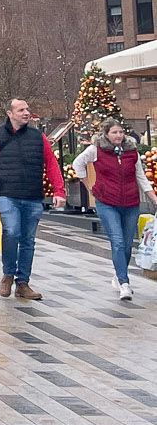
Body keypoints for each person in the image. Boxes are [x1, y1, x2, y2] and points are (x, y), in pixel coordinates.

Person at [0, 99, 66, 301]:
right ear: (10, 113)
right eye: (21, 110)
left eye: (27, 109)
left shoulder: (38, 137)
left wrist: (59, 190)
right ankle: (8, 274)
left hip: (33, 195)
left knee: (28, 241)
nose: (27, 113)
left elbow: (51, 162)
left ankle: (23, 283)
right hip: (7, 193)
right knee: (12, 232)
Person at [71, 118, 156, 302]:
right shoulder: (96, 150)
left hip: (131, 202)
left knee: (126, 244)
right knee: (117, 241)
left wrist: (153, 197)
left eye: (120, 132)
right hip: (107, 201)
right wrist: (89, 185)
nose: (118, 135)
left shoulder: (131, 151)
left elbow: (140, 176)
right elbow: (78, 164)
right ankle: (125, 283)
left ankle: (119, 275)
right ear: (106, 134)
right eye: (114, 132)